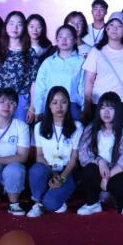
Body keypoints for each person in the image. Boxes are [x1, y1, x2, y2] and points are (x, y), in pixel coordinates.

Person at [77, 92, 123, 215]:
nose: (106, 112)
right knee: (89, 170)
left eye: (111, 108)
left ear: (118, 111)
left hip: (116, 172)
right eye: (103, 108)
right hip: (99, 171)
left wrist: (107, 176)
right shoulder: (91, 129)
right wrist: (99, 161)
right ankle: (93, 203)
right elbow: (83, 154)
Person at [27, 86, 82, 217]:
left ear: (68, 104)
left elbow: (74, 159)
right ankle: (38, 202)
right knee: (36, 170)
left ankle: (55, 196)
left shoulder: (77, 127)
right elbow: (39, 156)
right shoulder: (39, 127)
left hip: (67, 170)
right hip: (47, 168)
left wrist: (61, 178)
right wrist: (53, 174)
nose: (59, 107)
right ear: (49, 105)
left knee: (51, 204)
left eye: (63, 102)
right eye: (55, 102)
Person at [0, 11, 39, 122]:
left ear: (24, 28)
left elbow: (34, 82)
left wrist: (32, 107)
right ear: (6, 26)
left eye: (19, 24)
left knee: (19, 130)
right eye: (11, 23)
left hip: (20, 101)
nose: (15, 27)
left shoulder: (29, 52)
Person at [82, 12, 123, 121]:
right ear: (106, 29)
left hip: (122, 100)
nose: (114, 29)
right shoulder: (97, 50)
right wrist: (87, 104)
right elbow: (89, 79)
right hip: (99, 100)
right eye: (111, 25)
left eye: (119, 26)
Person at [32, 24, 85, 121]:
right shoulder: (48, 62)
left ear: (75, 40)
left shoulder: (81, 62)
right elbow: (40, 88)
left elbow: (83, 87)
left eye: (68, 36)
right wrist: (38, 110)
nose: (64, 40)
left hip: (72, 106)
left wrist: (84, 108)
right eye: (60, 37)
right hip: (50, 106)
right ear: (56, 40)